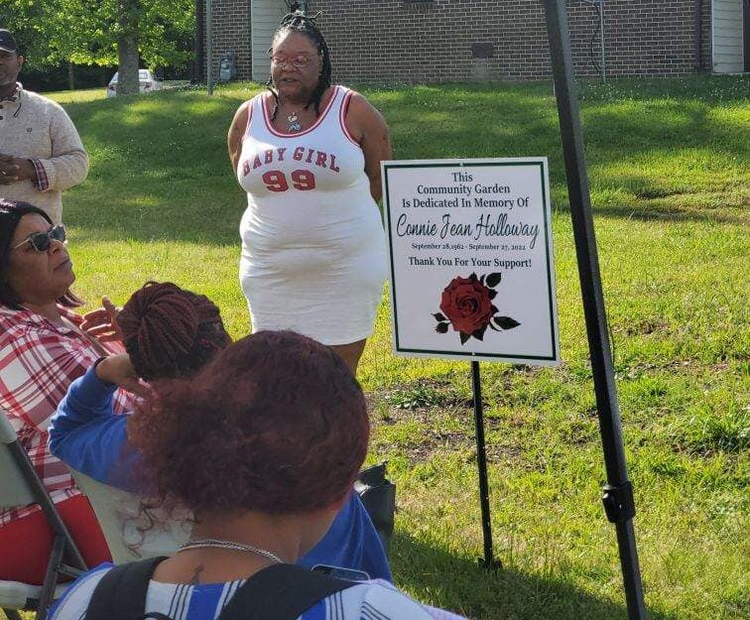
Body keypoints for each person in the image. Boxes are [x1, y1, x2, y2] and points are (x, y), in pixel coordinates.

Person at [50, 331, 465, 620]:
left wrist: (103, 371)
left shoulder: (83, 603)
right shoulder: (369, 610)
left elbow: (65, 431)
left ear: (180, 462)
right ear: (339, 493)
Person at [49, 281, 392, 580]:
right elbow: (365, 577)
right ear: (228, 345)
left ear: (142, 366)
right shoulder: (301, 454)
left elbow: (65, 432)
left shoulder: (133, 447)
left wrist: (103, 372)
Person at [227, 13, 392, 373]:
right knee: (274, 377)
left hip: (344, 271)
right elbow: (246, 178)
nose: (289, 67)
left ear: (322, 62)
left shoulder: (353, 110)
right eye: (280, 58)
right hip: (268, 272)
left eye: (301, 59)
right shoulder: (247, 116)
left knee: (334, 380)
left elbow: (379, 181)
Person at [0, 199, 133, 584]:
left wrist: (132, 344)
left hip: (92, 504)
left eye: (56, 234)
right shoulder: (16, 338)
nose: (57, 246)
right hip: (50, 522)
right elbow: (124, 426)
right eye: (38, 244)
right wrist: (153, 353)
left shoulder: (64, 324)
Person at [0, 29, 89, 224]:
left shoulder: (47, 111)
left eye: (4, 56)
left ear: (20, 62)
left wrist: (34, 169)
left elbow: (78, 164)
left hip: (39, 240)